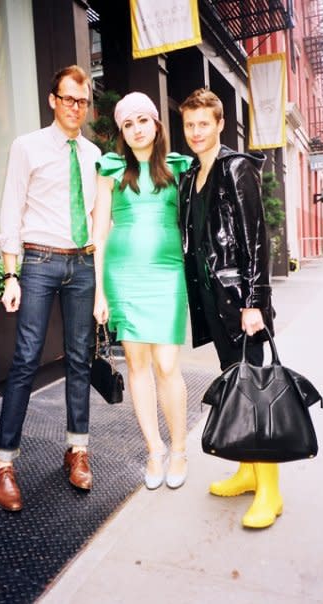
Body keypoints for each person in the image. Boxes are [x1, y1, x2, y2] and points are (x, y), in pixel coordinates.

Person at [0, 65, 101, 512]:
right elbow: (11, 208)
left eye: (82, 101)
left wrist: (101, 281)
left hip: (83, 264)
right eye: (68, 98)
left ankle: (77, 450)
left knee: (79, 360)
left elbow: (99, 215)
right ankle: (3, 463)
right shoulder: (27, 147)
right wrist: (9, 274)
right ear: (53, 99)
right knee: (25, 359)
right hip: (37, 262)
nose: (76, 108)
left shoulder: (95, 155)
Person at [178, 88, 279, 529]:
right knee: (234, 389)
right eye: (190, 125)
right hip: (212, 302)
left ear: (220, 124)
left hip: (241, 303)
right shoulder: (191, 178)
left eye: (204, 124)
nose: (196, 132)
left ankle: (270, 491)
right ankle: (246, 471)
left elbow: (257, 239)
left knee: (255, 394)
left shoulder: (236, 168)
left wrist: (256, 302)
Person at [93, 92, 192, 490]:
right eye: (127, 123)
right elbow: (99, 232)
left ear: (156, 124)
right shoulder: (111, 168)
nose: (136, 129)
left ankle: (180, 449)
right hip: (124, 276)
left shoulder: (178, 166)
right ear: (121, 131)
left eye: (142, 120)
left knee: (167, 365)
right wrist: (100, 292)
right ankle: (155, 450)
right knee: (137, 366)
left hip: (168, 276)